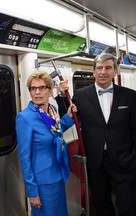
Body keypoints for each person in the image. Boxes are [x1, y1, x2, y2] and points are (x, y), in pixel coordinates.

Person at [56, 53, 136, 216]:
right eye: (99, 68)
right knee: (101, 203)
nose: (103, 72)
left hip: (124, 159)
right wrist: (61, 95)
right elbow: (68, 115)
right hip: (95, 161)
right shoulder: (81, 95)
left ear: (115, 71)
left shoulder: (130, 96)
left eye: (108, 68)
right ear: (93, 72)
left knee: (128, 203)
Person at [16, 70, 77, 216]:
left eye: (42, 88)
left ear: (50, 91)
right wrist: (32, 192)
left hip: (58, 174)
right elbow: (24, 158)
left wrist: (68, 116)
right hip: (42, 182)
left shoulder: (52, 110)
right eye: (33, 88)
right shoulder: (25, 118)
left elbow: (55, 131)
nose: (37, 92)